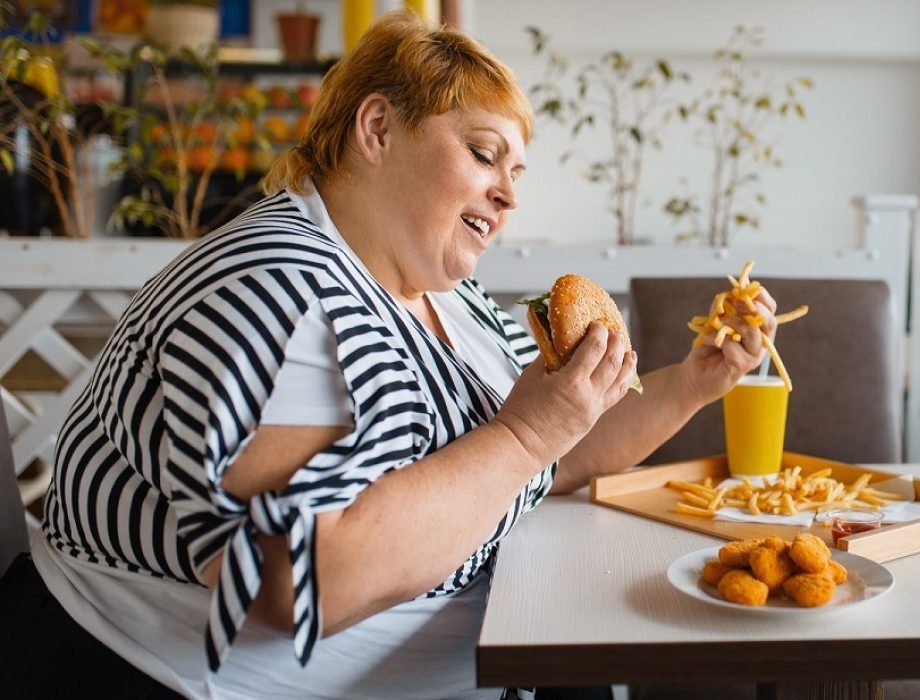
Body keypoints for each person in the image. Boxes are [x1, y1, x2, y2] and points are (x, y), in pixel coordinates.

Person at [29, 10, 777, 700]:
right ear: (379, 129)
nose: (509, 196)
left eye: (517, 173)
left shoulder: (449, 301)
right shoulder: (276, 291)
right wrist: (526, 434)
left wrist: (691, 382)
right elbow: (293, 582)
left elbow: (556, 453)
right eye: (485, 154)